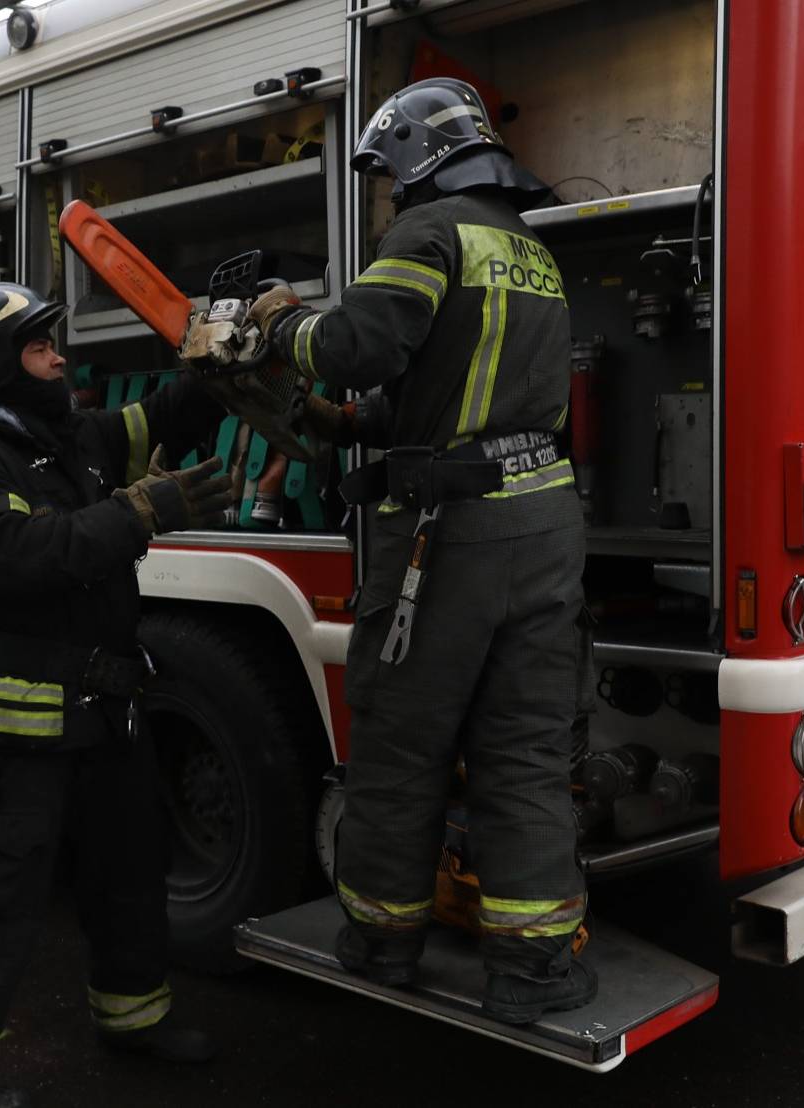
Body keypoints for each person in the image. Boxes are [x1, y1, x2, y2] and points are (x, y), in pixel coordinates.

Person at [246, 77, 595, 1024]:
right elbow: (456, 389)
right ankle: (534, 972)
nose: (389, 190)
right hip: (544, 529)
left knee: (402, 747)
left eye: (387, 171)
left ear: (412, 155)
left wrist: (279, 321)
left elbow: (352, 347)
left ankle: (381, 942)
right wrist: (350, 424)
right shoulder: (528, 248)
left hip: (449, 542)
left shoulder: (429, 231)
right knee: (522, 751)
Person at [0, 283, 233, 1107]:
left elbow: (161, 418)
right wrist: (139, 511)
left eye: (54, 344)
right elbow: (22, 554)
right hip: (26, 720)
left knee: (129, 872)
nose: (59, 359)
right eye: (39, 347)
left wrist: (221, 356)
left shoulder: (72, 439)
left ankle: (133, 1018)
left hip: (108, 708)